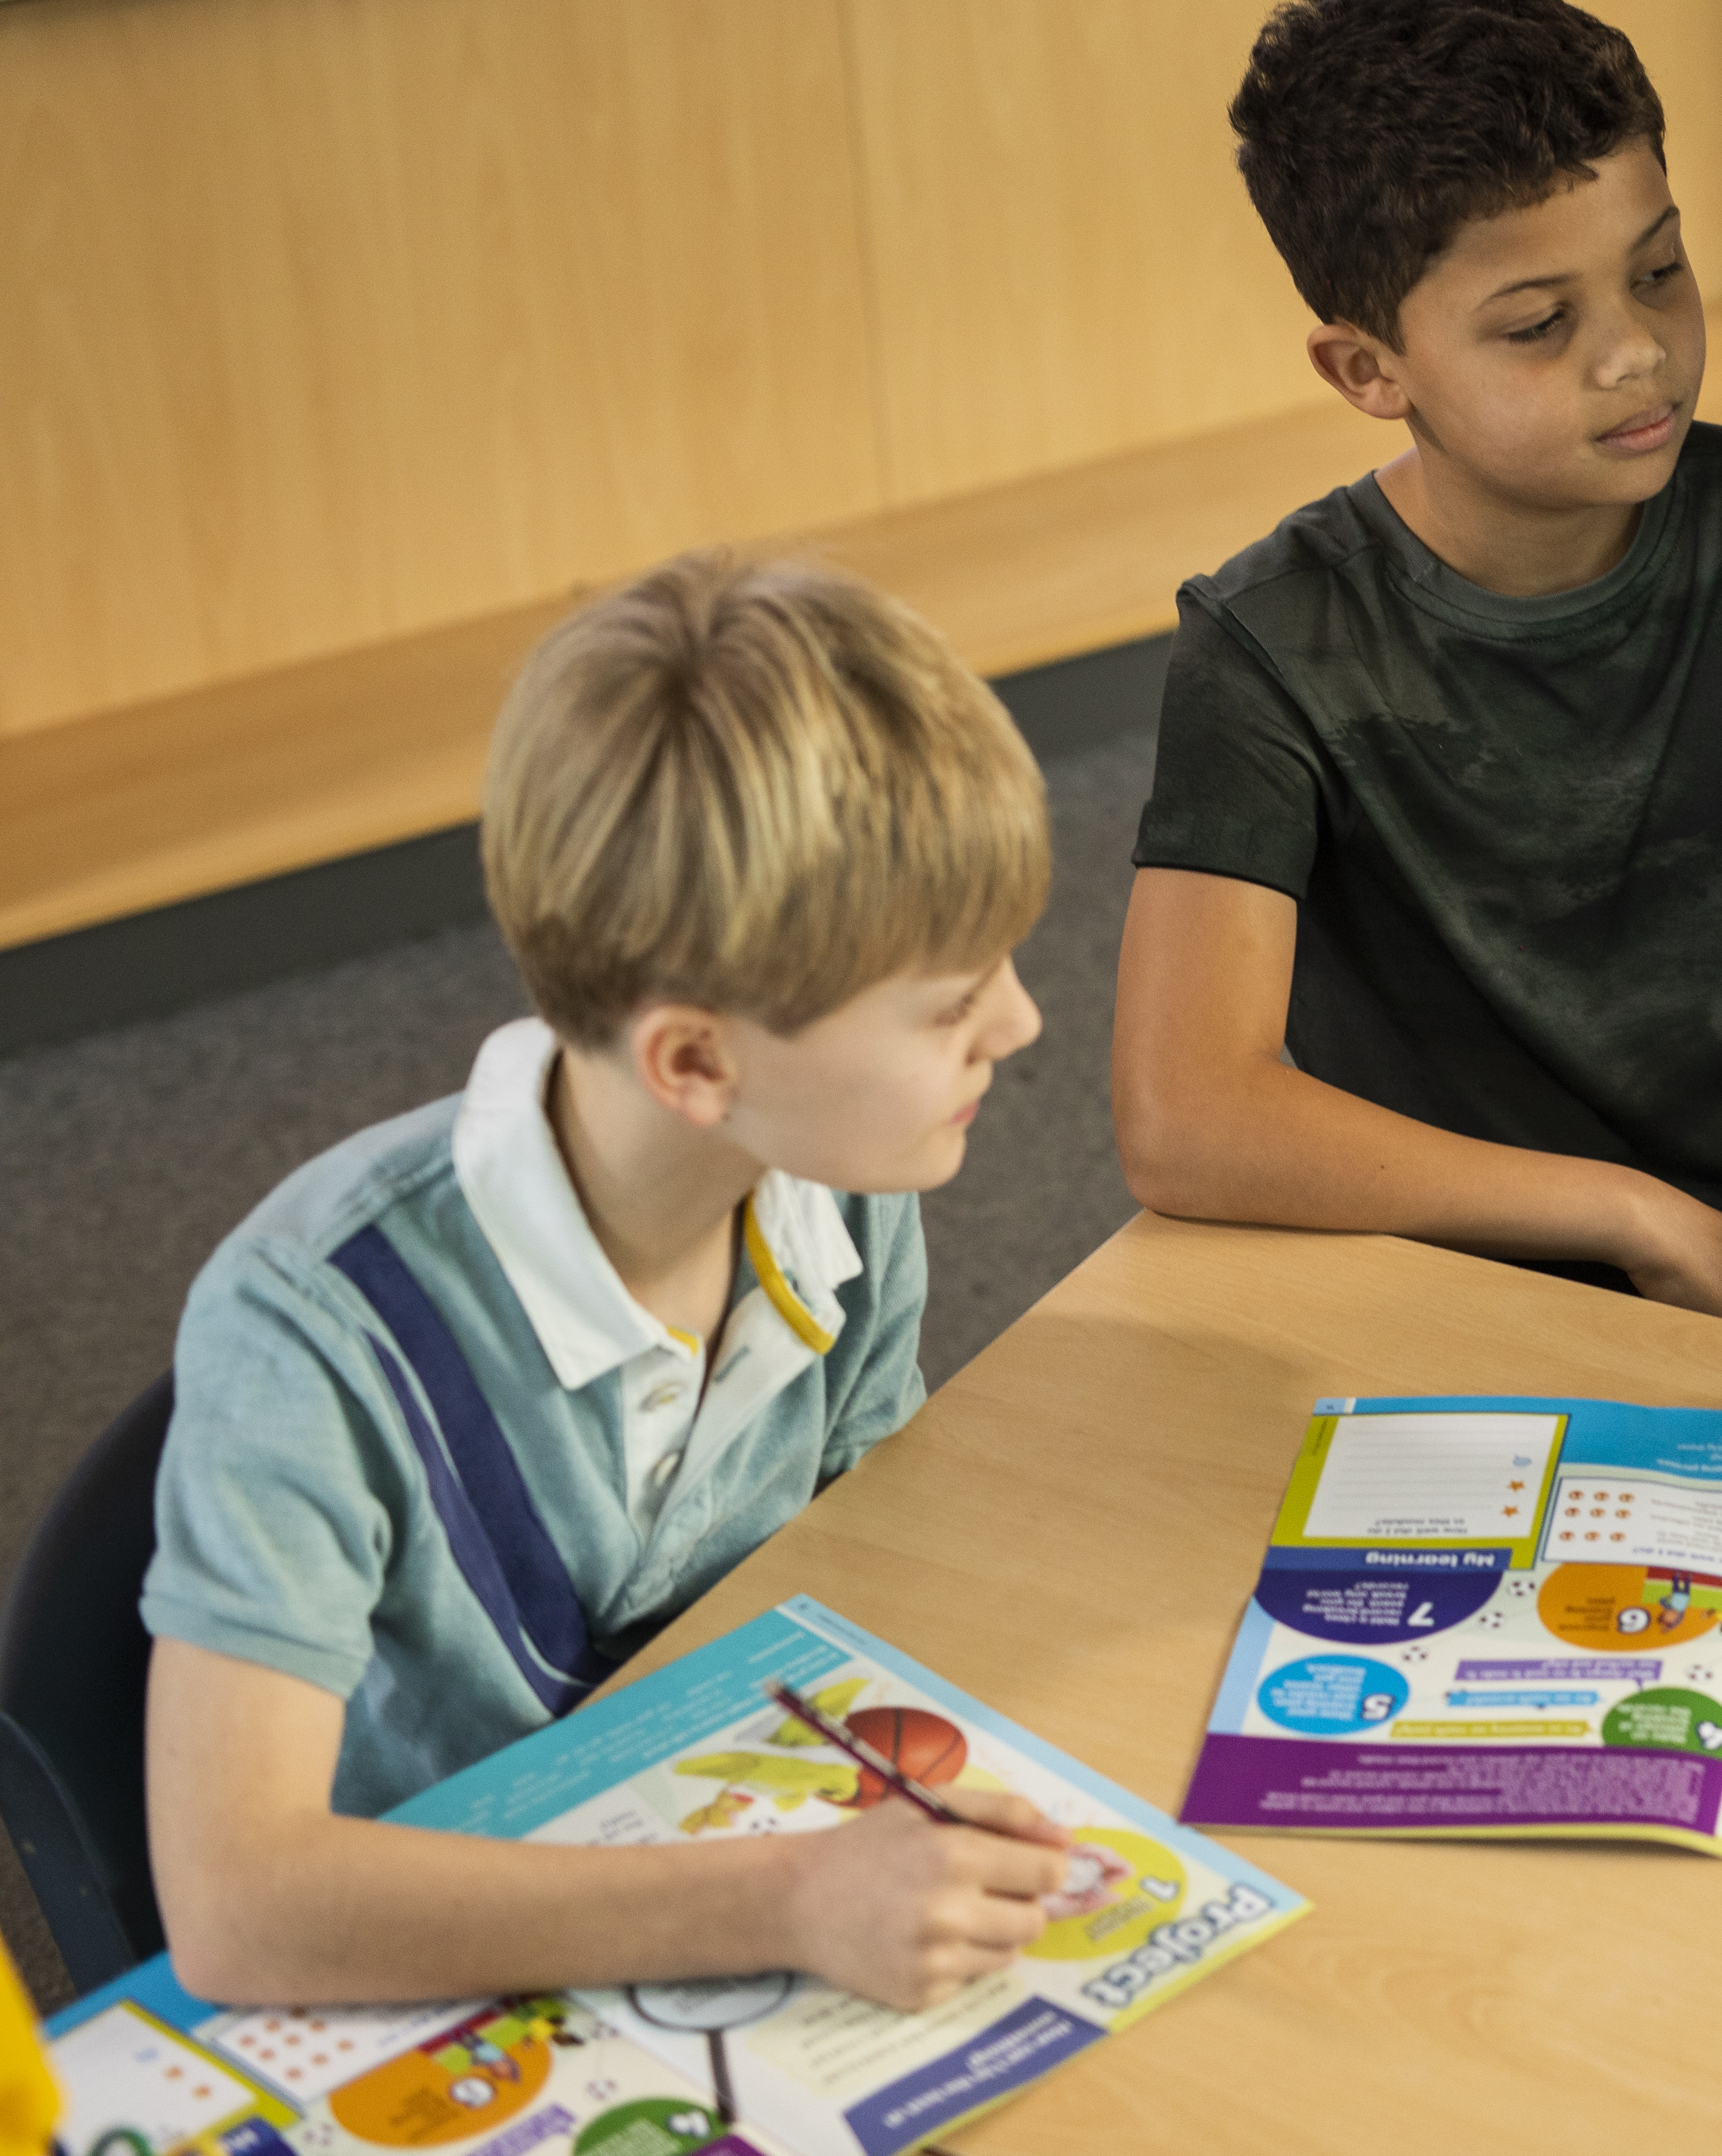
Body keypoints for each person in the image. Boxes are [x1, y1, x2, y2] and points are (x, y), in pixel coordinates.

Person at [1116, 0, 1722, 1408]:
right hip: (1451, 1270)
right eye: (1538, 325)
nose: (1637, 350)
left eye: (1658, 269)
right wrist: (1628, 1211)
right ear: (1367, 368)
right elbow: (1186, 1114)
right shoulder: (1271, 647)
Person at [143, 553, 1079, 2009]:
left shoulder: (840, 1190)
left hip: (737, 1855)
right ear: (698, 1062)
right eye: (952, 1004)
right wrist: (790, 1898)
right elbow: (243, 1913)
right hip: (450, 1971)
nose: (1021, 1021)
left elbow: (870, 1582)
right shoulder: (308, 1331)